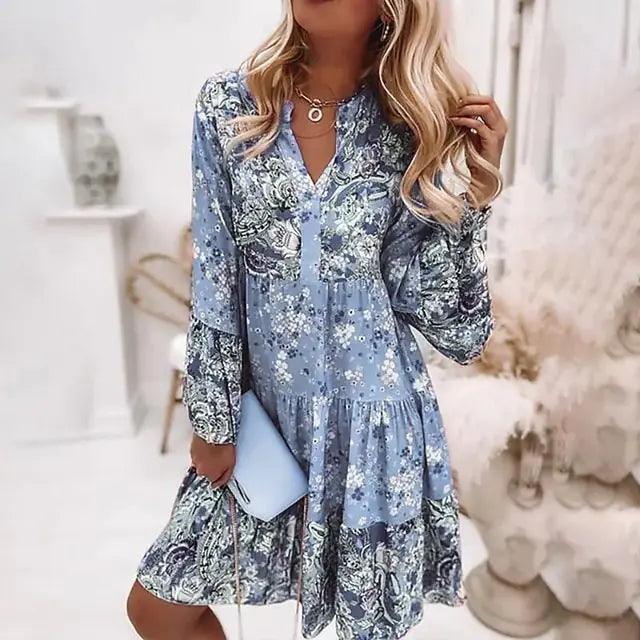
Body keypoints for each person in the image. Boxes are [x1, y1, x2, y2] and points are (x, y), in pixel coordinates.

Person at [126, 0, 508, 638]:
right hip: (264, 423)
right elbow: (215, 280)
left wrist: (475, 194)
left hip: (372, 434)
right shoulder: (229, 105)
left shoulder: (411, 127)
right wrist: (212, 421)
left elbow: (458, 332)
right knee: (158, 608)